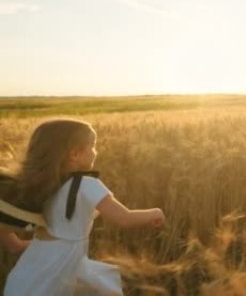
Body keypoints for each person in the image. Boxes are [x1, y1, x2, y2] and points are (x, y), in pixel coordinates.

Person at [4, 119, 165, 296]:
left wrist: (16, 244)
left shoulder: (42, 183)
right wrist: (154, 213)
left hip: (31, 271)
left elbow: (5, 215)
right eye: (92, 146)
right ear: (74, 153)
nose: (95, 152)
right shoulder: (87, 185)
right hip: (59, 271)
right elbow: (123, 218)